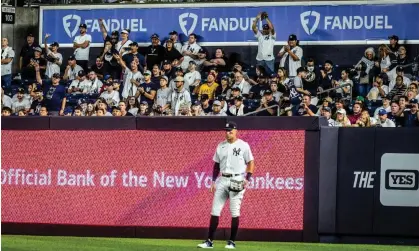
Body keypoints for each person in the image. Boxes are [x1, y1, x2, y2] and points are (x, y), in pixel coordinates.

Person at [197, 121, 255, 249]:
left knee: (234, 211)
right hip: (223, 179)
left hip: (237, 179)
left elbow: (251, 162)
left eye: (230, 131)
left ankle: (231, 241)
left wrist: (247, 178)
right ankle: (209, 241)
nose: (227, 133)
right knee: (215, 210)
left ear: (235, 131)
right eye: (226, 130)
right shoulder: (220, 145)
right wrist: (213, 181)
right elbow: (216, 165)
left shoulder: (243, 145)